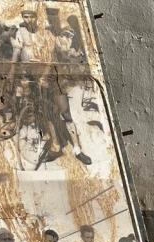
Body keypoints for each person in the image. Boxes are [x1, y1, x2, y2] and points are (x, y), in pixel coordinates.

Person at [11, 4, 92, 166]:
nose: (28, 20)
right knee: (46, 114)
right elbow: (19, 55)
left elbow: (51, 59)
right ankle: (55, 147)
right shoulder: (23, 33)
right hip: (36, 78)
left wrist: (45, 75)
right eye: (25, 17)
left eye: (31, 16)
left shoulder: (48, 35)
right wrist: (15, 72)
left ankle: (77, 149)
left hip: (53, 79)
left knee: (65, 113)